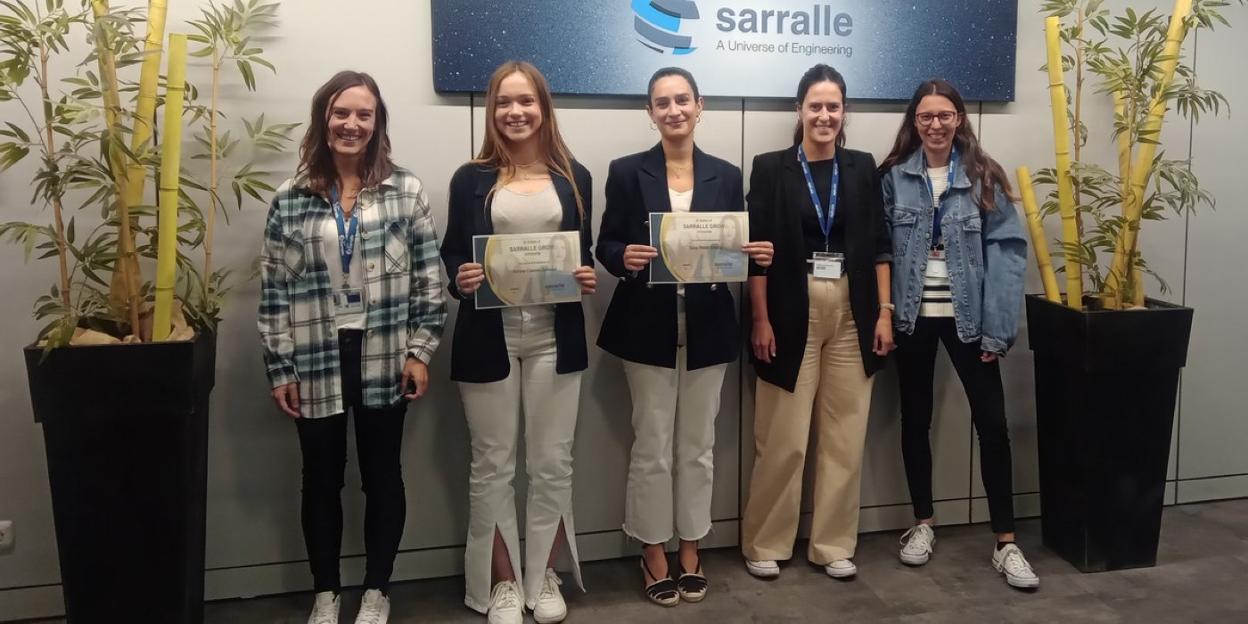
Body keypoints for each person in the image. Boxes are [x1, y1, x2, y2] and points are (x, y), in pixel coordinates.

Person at [258, 70, 447, 624]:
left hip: (384, 353)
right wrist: (279, 367)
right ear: (324, 118)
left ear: (377, 123)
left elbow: (429, 282)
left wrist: (421, 351)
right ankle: (325, 592)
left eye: (364, 114)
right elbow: (272, 291)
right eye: (341, 113)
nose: (351, 124)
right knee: (320, 478)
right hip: (316, 355)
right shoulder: (289, 200)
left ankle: (377, 590)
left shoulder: (405, 191)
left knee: (383, 473)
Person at [596, 67, 773, 607]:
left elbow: (733, 248)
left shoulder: (725, 172)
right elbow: (605, 244)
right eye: (661, 102)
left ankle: (692, 547)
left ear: (700, 106)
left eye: (682, 100)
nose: (673, 110)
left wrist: (754, 255)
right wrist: (623, 258)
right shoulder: (626, 172)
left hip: (709, 324)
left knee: (697, 447)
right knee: (652, 444)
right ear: (650, 113)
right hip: (645, 324)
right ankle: (652, 549)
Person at [441, 61, 596, 624]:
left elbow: (585, 251)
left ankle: (544, 574)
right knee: (493, 464)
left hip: (557, 334)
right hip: (490, 334)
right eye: (505, 102)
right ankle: (502, 581)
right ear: (492, 110)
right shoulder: (471, 177)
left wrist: (584, 275)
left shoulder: (575, 176)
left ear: (543, 106)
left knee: (553, 461)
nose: (516, 112)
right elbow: (455, 251)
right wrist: (462, 275)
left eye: (526, 100)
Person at [877, 79, 1035, 589]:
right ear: (914, 122)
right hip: (912, 319)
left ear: (960, 119)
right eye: (926, 116)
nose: (936, 124)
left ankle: (1006, 543)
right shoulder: (894, 178)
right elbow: (878, 252)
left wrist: (997, 331)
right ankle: (922, 523)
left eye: (945, 115)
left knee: (993, 425)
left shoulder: (983, 176)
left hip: (970, 323)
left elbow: (1009, 254)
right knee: (915, 419)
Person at [740, 64, 894, 581]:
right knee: (783, 437)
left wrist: (885, 312)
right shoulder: (769, 167)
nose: (824, 115)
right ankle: (766, 542)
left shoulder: (862, 167)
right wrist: (759, 320)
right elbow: (756, 255)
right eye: (815, 105)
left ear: (843, 111)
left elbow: (878, 247)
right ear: (799, 110)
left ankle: (832, 545)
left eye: (833, 106)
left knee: (844, 435)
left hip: (855, 307)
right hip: (788, 307)